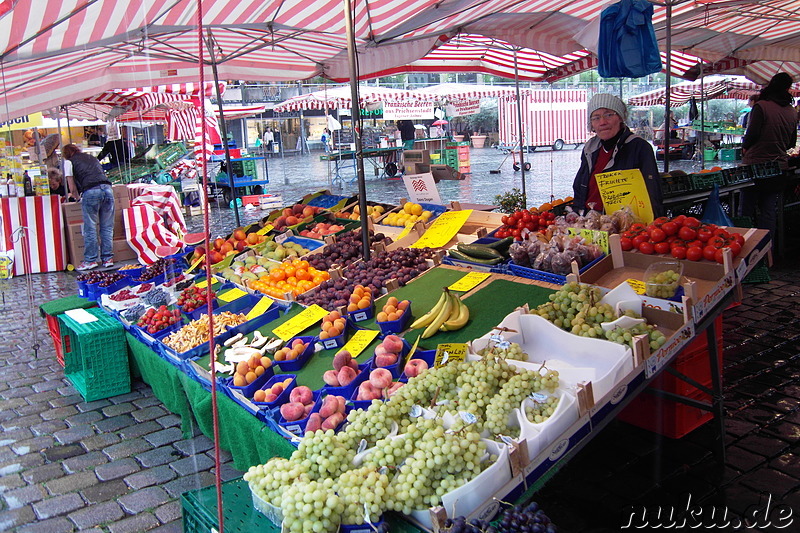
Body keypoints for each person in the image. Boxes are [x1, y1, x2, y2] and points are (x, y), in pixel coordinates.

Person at [572, 93, 663, 216]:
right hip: (589, 222)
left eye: (608, 115)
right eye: (596, 117)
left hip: (622, 223)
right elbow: (580, 188)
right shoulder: (589, 149)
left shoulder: (639, 147)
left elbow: (652, 193)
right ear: (592, 124)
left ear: (620, 117)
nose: (602, 122)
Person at [741, 72, 798, 240]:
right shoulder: (791, 112)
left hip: (755, 167)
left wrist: (745, 147)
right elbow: (790, 144)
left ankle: (745, 248)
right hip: (778, 167)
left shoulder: (761, 107)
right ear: (787, 89)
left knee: (746, 211)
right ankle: (767, 251)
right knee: (768, 211)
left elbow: (751, 136)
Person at [63, 143, 115, 271]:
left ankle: (91, 260)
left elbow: (71, 185)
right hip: (108, 189)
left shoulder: (69, 162)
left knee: (90, 227)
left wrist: (76, 197)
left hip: (91, 191)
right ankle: (107, 258)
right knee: (107, 227)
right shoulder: (91, 158)